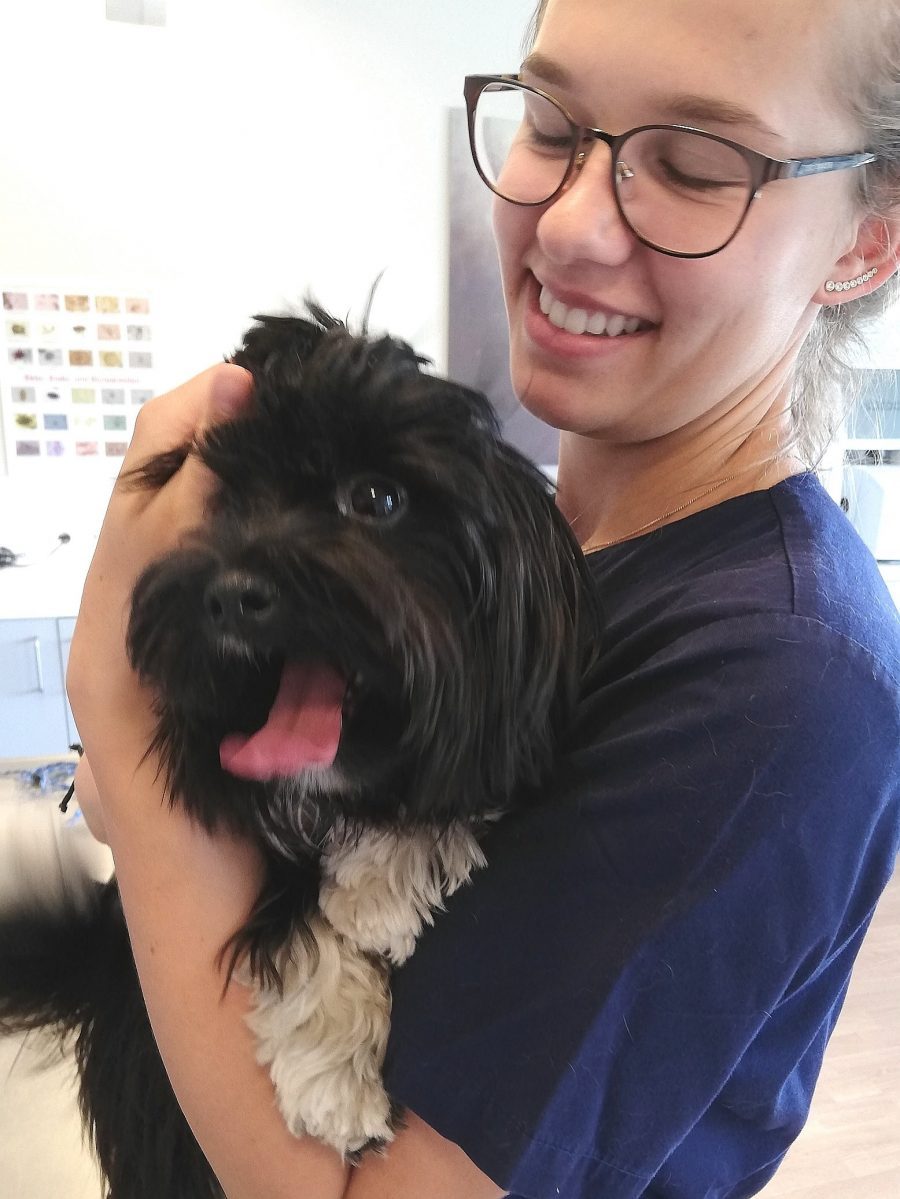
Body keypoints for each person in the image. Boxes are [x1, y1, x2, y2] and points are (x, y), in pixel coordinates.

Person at [67, 0, 900, 1195]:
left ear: (865, 243)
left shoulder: (780, 679)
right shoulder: (517, 550)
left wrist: (122, 717)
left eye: (694, 165)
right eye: (551, 124)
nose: (568, 225)